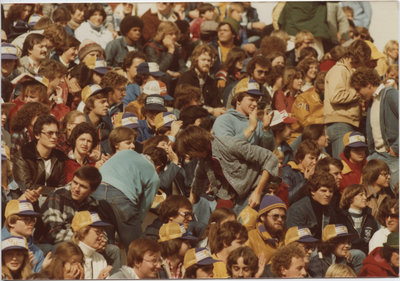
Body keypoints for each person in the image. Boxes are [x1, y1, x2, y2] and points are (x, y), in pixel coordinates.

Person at [175, 125, 278, 214]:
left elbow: (270, 158)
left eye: (189, 151)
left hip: (256, 188)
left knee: (239, 223)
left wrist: (258, 192)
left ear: (196, 145)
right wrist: (188, 208)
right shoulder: (204, 159)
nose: (190, 155)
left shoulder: (230, 145)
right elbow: (197, 181)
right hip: (235, 196)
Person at [91, 149, 162, 250]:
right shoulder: (154, 175)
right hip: (121, 197)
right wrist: (132, 227)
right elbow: (144, 207)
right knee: (136, 248)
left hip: (97, 190)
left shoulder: (125, 152)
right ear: (158, 167)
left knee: (106, 245)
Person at [350, 67, 399, 190]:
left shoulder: (389, 94)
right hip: (376, 155)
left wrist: (396, 147)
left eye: (358, 89)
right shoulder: (371, 102)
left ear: (368, 84)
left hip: (392, 156)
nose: (357, 93)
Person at [324, 40, 371, 160]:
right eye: (363, 59)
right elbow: (335, 96)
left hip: (345, 124)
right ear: (358, 57)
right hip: (341, 124)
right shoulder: (339, 70)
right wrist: (358, 92)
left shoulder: (348, 71)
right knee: (343, 166)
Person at [213, 76, 275, 151]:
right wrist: (250, 128)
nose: (255, 104)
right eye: (251, 100)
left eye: (257, 100)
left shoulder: (258, 123)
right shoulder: (224, 120)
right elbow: (227, 148)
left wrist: (266, 130)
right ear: (238, 100)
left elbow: (268, 150)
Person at [12, 114, 67, 198]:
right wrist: (54, 190)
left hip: (53, 202)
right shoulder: (24, 155)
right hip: (26, 201)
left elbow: (62, 187)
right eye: (50, 133)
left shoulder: (60, 157)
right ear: (37, 135)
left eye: (56, 133)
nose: (54, 137)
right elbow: (26, 188)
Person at [286, 172, 337, 239]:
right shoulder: (297, 210)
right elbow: (295, 240)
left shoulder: (329, 209)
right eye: (323, 191)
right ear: (312, 191)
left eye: (331, 191)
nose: (328, 194)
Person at [177, 44, 224, 116]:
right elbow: (188, 105)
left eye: (208, 60)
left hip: (208, 115)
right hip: (189, 115)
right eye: (203, 60)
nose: (206, 63)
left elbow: (216, 103)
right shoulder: (186, 77)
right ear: (196, 60)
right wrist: (211, 110)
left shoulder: (211, 81)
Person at [2, 200, 48, 273]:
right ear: (11, 222)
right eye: (26, 219)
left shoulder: (37, 252)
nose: (32, 223)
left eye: (33, 219)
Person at [71, 211, 113, 279]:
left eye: (102, 231)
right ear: (83, 232)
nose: (102, 235)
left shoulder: (100, 259)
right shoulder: (69, 257)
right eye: (97, 231)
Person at [338, 184, 378, 254]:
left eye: (365, 195)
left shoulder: (370, 219)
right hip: (346, 254)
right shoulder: (341, 218)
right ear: (350, 197)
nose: (365, 198)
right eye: (361, 195)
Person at [247, 195, 286, 264]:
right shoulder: (250, 238)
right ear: (262, 217)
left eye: (283, 217)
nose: (280, 219)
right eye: (275, 216)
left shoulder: (286, 237)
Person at [281, 139, 320, 204]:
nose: (315, 162)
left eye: (316, 159)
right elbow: (287, 198)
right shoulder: (288, 171)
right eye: (311, 158)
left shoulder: (316, 173)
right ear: (300, 158)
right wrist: (305, 180)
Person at [81, 84, 113, 155]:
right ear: (90, 105)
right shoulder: (81, 124)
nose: (107, 105)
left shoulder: (106, 124)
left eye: (107, 101)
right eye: (102, 102)